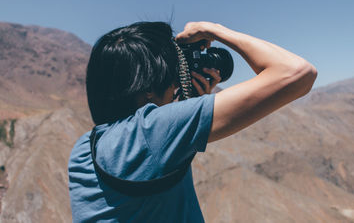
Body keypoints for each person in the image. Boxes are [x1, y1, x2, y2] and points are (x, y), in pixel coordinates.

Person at [68, 21, 317, 222]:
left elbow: (149, 170)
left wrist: (186, 108)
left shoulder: (85, 147)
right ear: (146, 87)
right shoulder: (152, 132)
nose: (176, 84)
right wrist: (216, 31)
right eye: (173, 76)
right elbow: (297, 73)